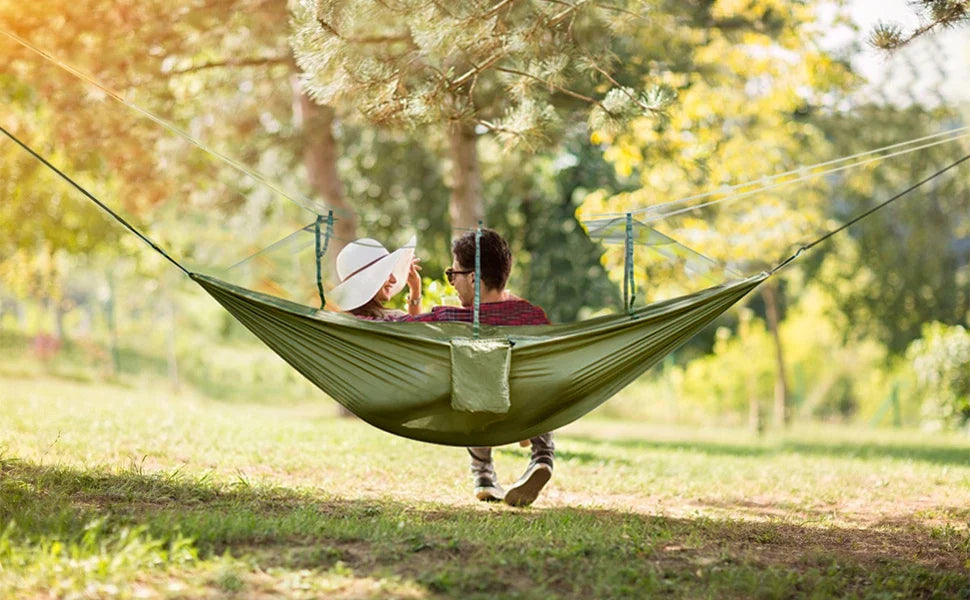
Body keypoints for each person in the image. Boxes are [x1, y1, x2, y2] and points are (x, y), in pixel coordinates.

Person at [394, 229, 554, 507]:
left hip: (477, 409)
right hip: (526, 410)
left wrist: (415, 292)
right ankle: (542, 457)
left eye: (453, 273)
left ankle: (483, 474)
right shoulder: (532, 316)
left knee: (472, 379)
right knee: (534, 381)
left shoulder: (448, 318)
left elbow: (409, 337)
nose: (452, 282)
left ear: (471, 277)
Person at [329, 236, 423, 318]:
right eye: (386, 273)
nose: (394, 280)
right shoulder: (392, 319)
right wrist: (416, 290)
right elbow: (416, 333)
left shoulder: (339, 322)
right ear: (369, 280)